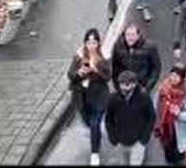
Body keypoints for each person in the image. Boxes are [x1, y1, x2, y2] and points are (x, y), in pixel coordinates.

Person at [68, 28, 113, 166]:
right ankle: (97, 136)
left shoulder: (103, 57)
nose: (91, 45)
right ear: (85, 43)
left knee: (94, 124)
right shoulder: (79, 56)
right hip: (82, 99)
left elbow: (107, 77)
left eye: (94, 42)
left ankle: (95, 153)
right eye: (89, 42)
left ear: (98, 43)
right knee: (90, 124)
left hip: (99, 98)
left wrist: (96, 69)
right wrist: (79, 73)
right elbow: (70, 74)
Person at [105, 70, 156, 167]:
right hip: (120, 141)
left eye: (129, 84)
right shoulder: (113, 99)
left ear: (135, 84)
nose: (126, 88)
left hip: (138, 142)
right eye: (123, 84)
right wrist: (113, 138)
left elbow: (151, 117)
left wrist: (144, 139)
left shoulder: (144, 98)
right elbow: (108, 119)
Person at [154, 63, 186, 165]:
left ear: (182, 78)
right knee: (169, 158)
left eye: (176, 76)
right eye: (171, 75)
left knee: (181, 159)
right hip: (165, 131)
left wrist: (180, 115)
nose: (172, 78)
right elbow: (155, 106)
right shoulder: (163, 88)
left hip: (182, 135)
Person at [112, 24, 162, 94]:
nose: (130, 38)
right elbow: (115, 68)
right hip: (124, 88)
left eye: (133, 35)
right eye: (128, 35)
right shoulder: (118, 47)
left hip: (141, 87)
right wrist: (118, 86)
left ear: (138, 36)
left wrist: (147, 88)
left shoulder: (150, 47)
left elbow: (156, 69)